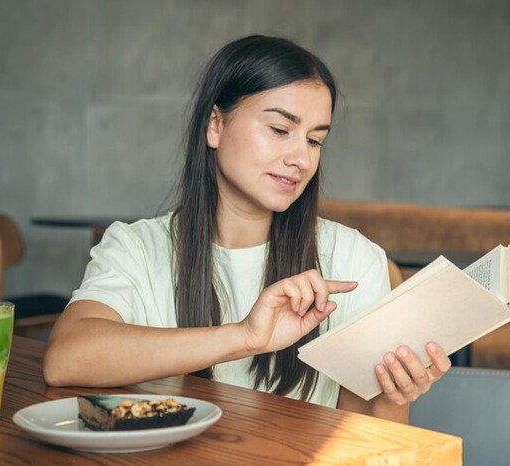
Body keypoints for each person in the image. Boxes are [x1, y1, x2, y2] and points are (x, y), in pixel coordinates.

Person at [43, 34, 451, 424]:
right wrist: (245, 336)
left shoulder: (353, 261)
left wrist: (393, 397)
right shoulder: (136, 247)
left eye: (314, 140)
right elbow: (66, 358)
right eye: (279, 130)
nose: (301, 159)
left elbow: (366, 440)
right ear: (215, 125)